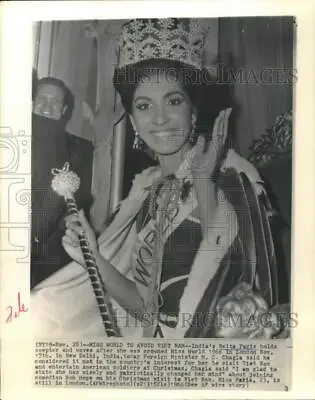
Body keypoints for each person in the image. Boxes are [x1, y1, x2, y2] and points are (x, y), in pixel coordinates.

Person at [31, 19, 289, 338]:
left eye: (174, 101)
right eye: (144, 106)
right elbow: (145, 310)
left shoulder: (228, 176)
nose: (160, 118)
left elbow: (228, 259)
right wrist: (93, 256)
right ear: (134, 122)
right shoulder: (148, 195)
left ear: (193, 113)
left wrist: (204, 182)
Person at [31, 76, 94, 288]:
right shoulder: (12, 139)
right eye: (41, 99)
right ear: (31, 102)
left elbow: (84, 201)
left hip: (55, 257)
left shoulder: (80, 149)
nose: (47, 107)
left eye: (55, 102)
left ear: (64, 109)